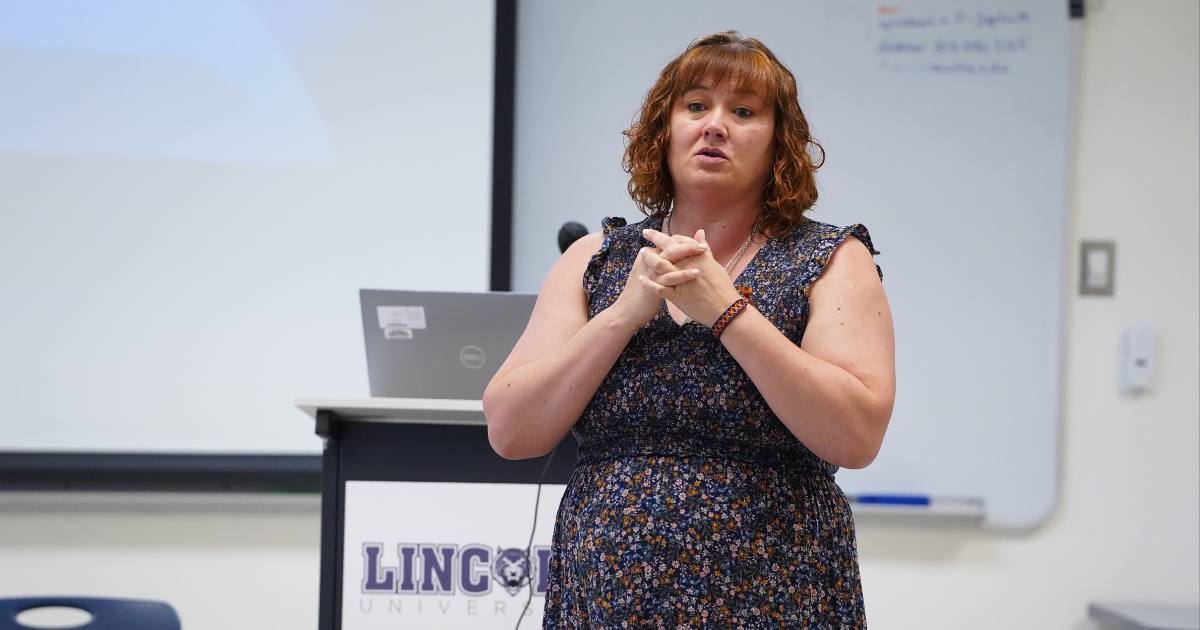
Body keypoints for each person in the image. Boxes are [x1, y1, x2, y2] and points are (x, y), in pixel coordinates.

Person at [483, 31, 894, 628]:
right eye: (696, 105)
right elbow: (510, 430)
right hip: (605, 601)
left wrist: (729, 314)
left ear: (780, 142)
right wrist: (622, 316)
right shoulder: (596, 259)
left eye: (744, 111)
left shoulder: (832, 257)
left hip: (777, 595)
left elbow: (856, 436)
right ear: (664, 129)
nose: (715, 125)